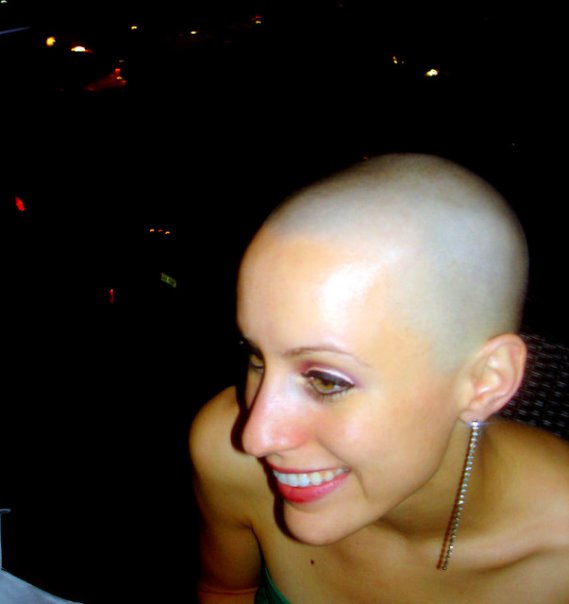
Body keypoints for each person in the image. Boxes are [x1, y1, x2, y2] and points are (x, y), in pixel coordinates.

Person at [189, 153, 569, 603]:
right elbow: (226, 590)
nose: (256, 438)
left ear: (486, 380)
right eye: (257, 357)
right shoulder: (228, 458)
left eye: (326, 381)